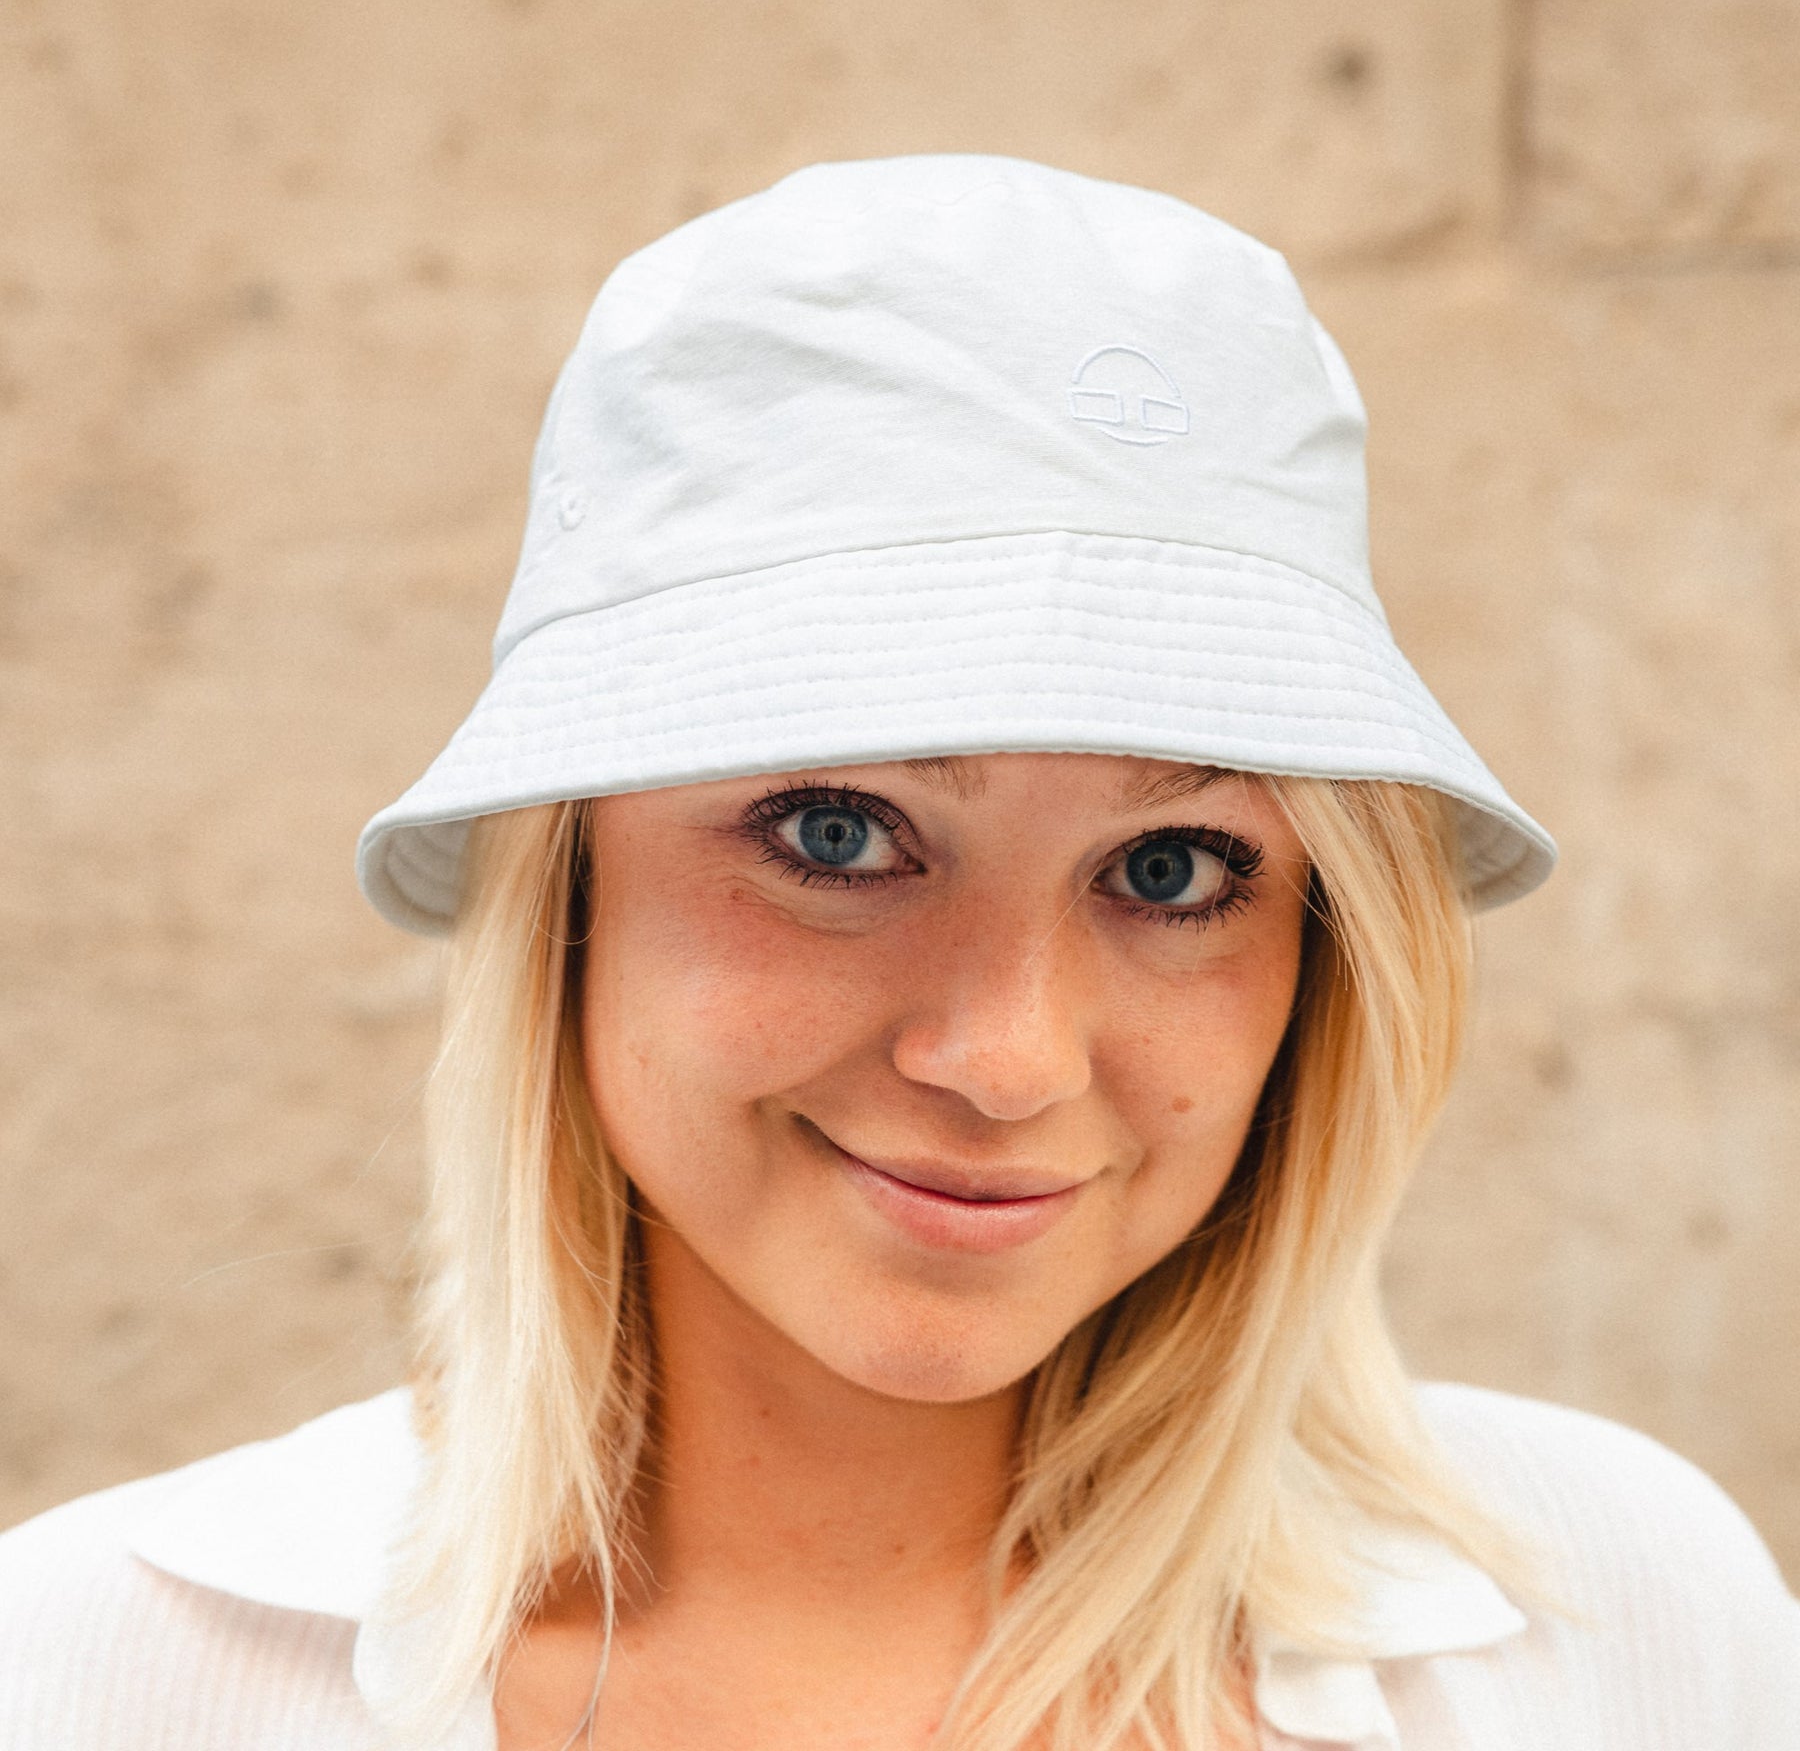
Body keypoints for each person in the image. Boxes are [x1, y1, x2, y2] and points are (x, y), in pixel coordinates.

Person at [0, 154, 1793, 1751]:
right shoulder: (100, 1680)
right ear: (570, 891)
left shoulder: (1621, 1629)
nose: (1007, 1057)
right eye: (836, 834)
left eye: (1171, 865)